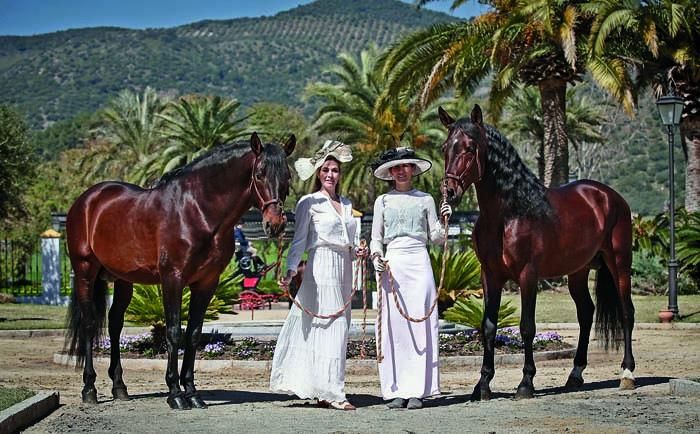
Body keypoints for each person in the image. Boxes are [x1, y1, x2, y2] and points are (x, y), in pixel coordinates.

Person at [270, 139, 366, 411]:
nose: (330, 174)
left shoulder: (347, 204)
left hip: (344, 266)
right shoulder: (308, 202)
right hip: (321, 264)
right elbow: (299, 240)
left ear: (339, 174)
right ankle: (335, 393)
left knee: (339, 328)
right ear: (318, 173)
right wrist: (290, 270)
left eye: (334, 170)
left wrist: (359, 250)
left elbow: (351, 239)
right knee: (327, 326)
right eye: (325, 170)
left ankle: (327, 388)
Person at [369, 146, 452, 410]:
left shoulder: (426, 199)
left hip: (419, 262)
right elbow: (376, 238)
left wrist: (444, 220)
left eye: (406, 166)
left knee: (421, 326)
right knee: (394, 329)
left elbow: (436, 238)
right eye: (396, 167)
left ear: (413, 170)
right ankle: (396, 390)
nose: (401, 170)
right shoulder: (382, 202)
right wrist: (376, 258)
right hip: (393, 264)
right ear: (390, 172)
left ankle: (419, 390)